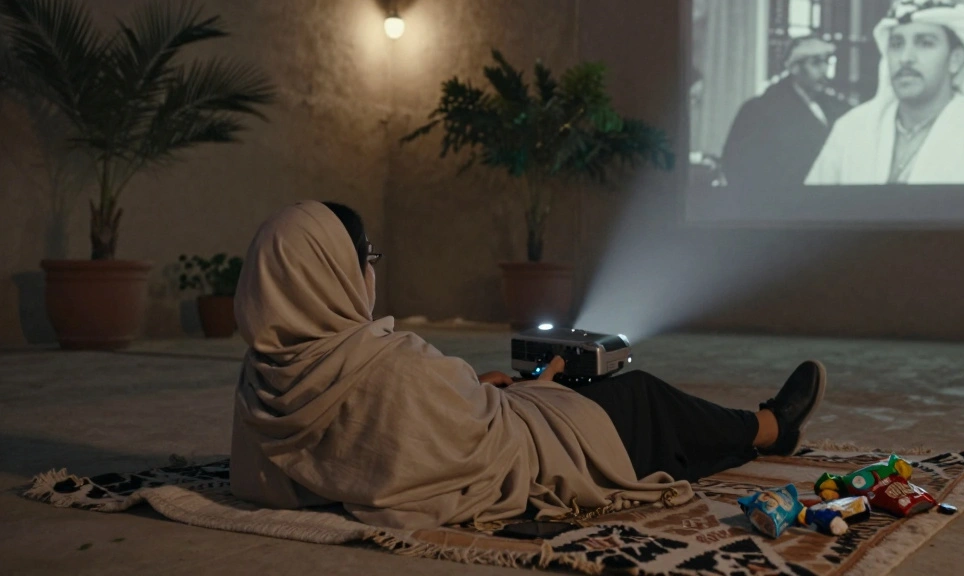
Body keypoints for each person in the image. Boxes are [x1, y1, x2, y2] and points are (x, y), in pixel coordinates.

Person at [230, 200, 826, 531]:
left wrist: (488, 387)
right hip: (531, 452)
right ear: (333, 274)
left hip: (493, 411)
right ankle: (771, 427)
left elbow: (404, 434)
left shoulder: (261, 377)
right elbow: (486, 444)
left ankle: (747, 434)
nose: (370, 272)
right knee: (638, 396)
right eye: (366, 259)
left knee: (591, 398)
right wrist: (539, 388)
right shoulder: (391, 364)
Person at [806, 0, 964, 185]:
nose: (905, 57)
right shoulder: (851, 129)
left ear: (955, 60)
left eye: (925, 43)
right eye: (897, 44)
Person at [719, 36, 854, 191]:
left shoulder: (836, 108)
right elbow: (737, 167)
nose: (824, 70)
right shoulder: (760, 110)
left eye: (826, 62)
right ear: (794, 67)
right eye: (816, 63)